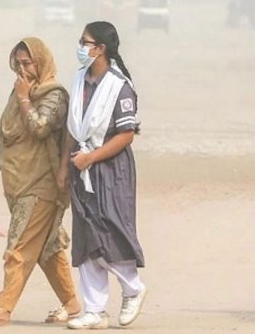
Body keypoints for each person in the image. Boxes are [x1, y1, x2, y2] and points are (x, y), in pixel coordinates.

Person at [0, 37, 81, 326]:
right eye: (17, 63)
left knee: (18, 246)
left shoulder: (54, 95)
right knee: (47, 249)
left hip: (42, 185)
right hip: (18, 181)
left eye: (27, 63)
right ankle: (71, 304)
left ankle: (2, 308)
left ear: (40, 62)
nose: (21, 69)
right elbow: (6, 131)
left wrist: (24, 98)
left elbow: (39, 127)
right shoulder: (19, 90)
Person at [59, 21, 147, 329]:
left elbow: (126, 134)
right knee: (86, 235)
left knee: (110, 231)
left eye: (85, 42)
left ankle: (133, 288)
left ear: (100, 48)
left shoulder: (119, 86)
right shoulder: (79, 80)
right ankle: (94, 309)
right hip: (80, 166)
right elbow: (73, 129)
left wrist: (91, 158)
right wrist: (64, 167)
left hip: (110, 169)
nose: (80, 47)